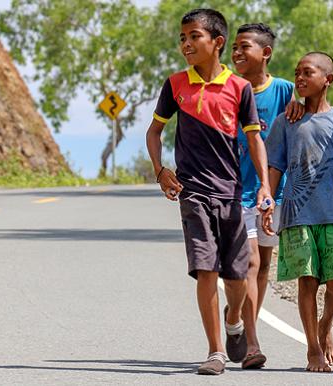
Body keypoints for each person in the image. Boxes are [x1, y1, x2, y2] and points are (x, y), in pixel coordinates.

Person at [145, 8, 274, 376]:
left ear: (217, 42)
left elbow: (254, 140)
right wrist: (160, 170)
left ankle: (233, 320)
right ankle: (215, 351)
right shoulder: (175, 85)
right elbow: (154, 132)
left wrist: (264, 184)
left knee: (236, 277)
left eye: (194, 37)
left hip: (231, 194)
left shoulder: (239, 88)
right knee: (205, 269)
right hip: (193, 192)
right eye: (182, 38)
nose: (186, 43)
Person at [265, 52, 333, 372]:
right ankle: (312, 349)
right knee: (307, 281)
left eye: (308, 72)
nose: (300, 78)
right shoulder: (286, 120)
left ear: (327, 79)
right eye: (296, 73)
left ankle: (325, 326)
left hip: (332, 212)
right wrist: (268, 200)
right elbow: (275, 164)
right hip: (296, 213)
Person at [230, 22, 303, 369]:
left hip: (276, 193)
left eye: (245, 46)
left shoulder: (287, 92)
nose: (237, 53)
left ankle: (239, 319)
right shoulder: (228, 89)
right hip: (236, 191)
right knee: (250, 263)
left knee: (262, 269)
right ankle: (252, 342)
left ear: (266, 53)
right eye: (234, 47)